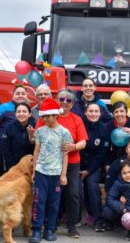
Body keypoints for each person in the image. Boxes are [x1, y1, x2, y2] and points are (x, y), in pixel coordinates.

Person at [36, 88, 88, 238]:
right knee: (47, 196)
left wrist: (74, 146)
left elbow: (83, 142)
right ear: (57, 101)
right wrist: (31, 136)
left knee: (72, 193)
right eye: (62, 99)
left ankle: (72, 225)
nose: (64, 102)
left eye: (68, 100)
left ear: (72, 104)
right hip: (49, 163)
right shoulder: (46, 116)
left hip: (71, 162)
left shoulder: (77, 119)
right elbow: (37, 139)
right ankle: (49, 225)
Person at [29, 98, 73, 243]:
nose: (45, 119)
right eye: (43, 116)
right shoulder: (40, 131)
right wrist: (34, 171)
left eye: (48, 116)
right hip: (41, 172)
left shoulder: (64, 132)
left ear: (56, 115)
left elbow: (65, 154)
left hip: (56, 174)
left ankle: (49, 229)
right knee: (38, 202)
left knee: (53, 204)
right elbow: (36, 151)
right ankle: (36, 230)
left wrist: (64, 174)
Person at [79, 103, 110, 232]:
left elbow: (101, 154)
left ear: (100, 113)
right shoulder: (79, 125)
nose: (93, 114)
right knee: (75, 189)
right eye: (90, 111)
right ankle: (70, 217)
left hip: (93, 166)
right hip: (77, 164)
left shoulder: (103, 129)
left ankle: (98, 219)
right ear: (85, 112)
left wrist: (88, 171)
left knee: (92, 185)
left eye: (96, 111)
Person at [0, 85, 29, 175]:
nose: (20, 96)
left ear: (26, 96)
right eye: (17, 93)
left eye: (23, 93)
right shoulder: (3, 108)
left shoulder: (27, 110)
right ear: (12, 95)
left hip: (15, 152)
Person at [1, 103, 36, 171]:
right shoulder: (9, 127)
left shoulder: (35, 127)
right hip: (14, 166)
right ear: (15, 114)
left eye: (24, 111)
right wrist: (13, 166)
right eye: (18, 111)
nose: (21, 114)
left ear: (29, 114)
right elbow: (5, 148)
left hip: (31, 165)